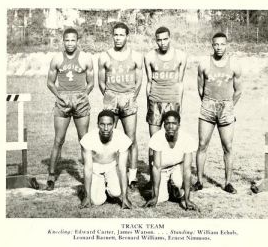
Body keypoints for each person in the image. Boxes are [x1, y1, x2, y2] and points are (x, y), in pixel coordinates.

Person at [46, 27, 94, 191]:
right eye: (67, 40)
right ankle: (51, 176)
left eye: (73, 40)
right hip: (63, 100)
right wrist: (59, 95)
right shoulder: (57, 58)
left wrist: (84, 95)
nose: (70, 43)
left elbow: (91, 82)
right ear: (63, 41)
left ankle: (88, 176)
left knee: (84, 140)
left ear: (77, 41)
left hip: (80, 101)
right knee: (59, 140)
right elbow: (50, 82)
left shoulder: (86, 58)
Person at [194, 32, 242, 194]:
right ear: (212, 45)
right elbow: (200, 87)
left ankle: (228, 182)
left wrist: (229, 106)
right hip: (208, 106)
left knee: (228, 146)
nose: (219, 47)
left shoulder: (234, 65)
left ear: (226, 45)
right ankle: (199, 181)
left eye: (222, 44)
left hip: (226, 108)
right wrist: (209, 102)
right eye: (216, 44)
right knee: (202, 144)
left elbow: (238, 90)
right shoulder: (204, 64)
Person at [98, 22, 143, 188]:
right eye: (115, 35)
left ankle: (132, 176)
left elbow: (139, 81)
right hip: (111, 98)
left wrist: (131, 96)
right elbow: (101, 82)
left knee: (131, 139)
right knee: (107, 137)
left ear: (127, 36)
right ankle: (107, 173)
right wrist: (111, 97)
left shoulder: (137, 56)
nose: (118, 38)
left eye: (121, 35)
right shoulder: (104, 56)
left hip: (129, 99)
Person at [144, 26, 187, 169]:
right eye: (159, 40)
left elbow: (180, 83)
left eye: (165, 39)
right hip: (155, 101)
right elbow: (149, 83)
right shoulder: (149, 56)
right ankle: (153, 180)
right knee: (154, 142)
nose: (162, 43)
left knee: (173, 140)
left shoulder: (181, 56)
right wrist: (148, 104)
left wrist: (179, 105)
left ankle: (173, 179)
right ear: (155, 41)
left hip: (172, 101)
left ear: (170, 38)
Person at [144, 111, 197, 210]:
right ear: (164, 125)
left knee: (178, 186)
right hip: (163, 170)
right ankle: (165, 187)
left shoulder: (187, 139)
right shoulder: (157, 137)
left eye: (174, 123)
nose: (171, 126)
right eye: (167, 123)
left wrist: (187, 199)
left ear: (179, 125)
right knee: (161, 198)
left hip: (177, 167)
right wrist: (155, 196)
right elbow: (156, 167)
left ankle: (175, 187)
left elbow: (187, 170)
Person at [79, 110, 132, 209]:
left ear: (114, 124)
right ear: (98, 124)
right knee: (97, 201)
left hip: (112, 167)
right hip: (96, 169)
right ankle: (89, 189)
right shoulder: (88, 138)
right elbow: (88, 168)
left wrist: (125, 197)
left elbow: (122, 168)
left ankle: (107, 186)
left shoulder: (122, 138)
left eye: (109, 124)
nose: (106, 128)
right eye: (102, 124)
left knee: (116, 193)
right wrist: (87, 196)